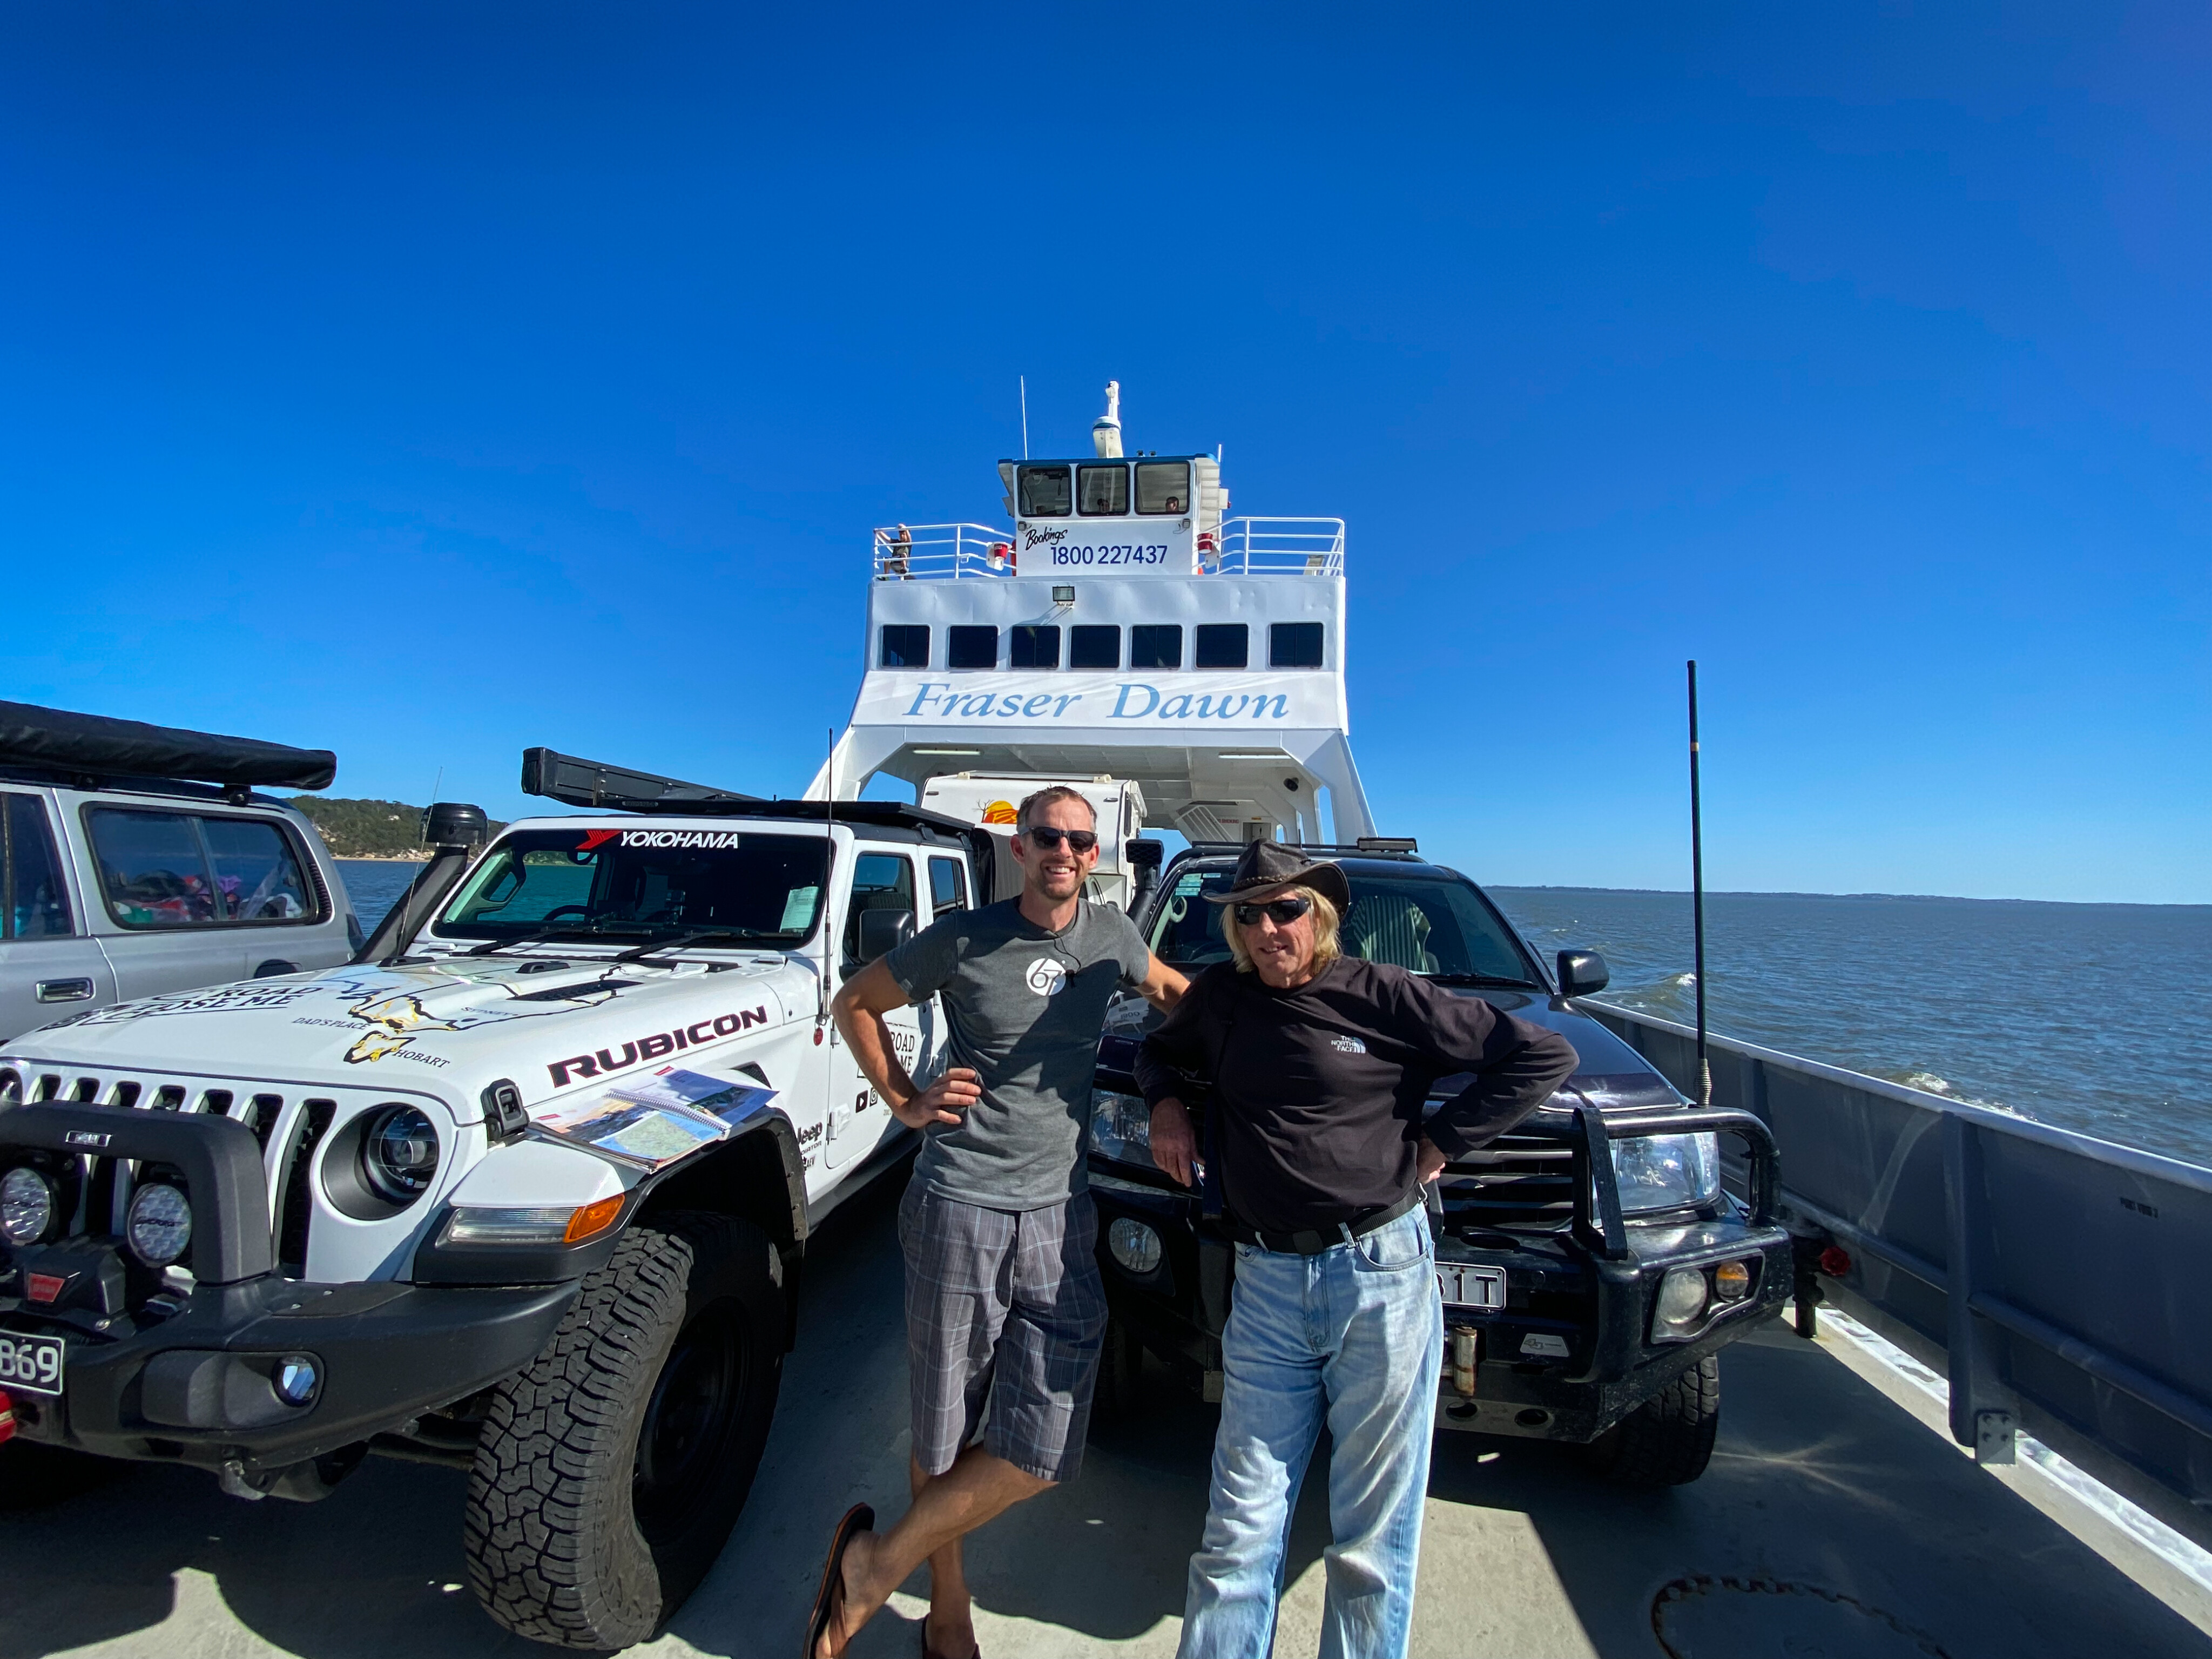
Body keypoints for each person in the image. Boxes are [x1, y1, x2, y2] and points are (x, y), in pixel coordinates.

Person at [1137, 840, 1577, 1659]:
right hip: (1265, 1280)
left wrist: (1441, 1141)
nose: (1271, 927)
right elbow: (1160, 1049)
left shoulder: (1387, 994)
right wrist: (1166, 1105)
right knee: (1238, 1529)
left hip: (1378, 1274)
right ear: (1234, 928)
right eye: (1251, 914)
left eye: (1288, 909)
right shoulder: (1223, 999)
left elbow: (1544, 1054)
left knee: (1373, 1536)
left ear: (1321, 916)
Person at [810, 786, 1190, 1659]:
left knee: (1046, 1439)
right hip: (960, 1204)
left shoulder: (1113, 937)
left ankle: (873, 1566)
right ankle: (947, 1607)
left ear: (1099, 857)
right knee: (943, 1426)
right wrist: (905, 1101)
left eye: (1082, 842)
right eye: (1048, 837)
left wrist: (1296, 1015)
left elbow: (1181, 997)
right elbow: (855, 1004)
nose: (1065, 852)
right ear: (1019, 848)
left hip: (1061, 1211)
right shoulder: (964, 939)